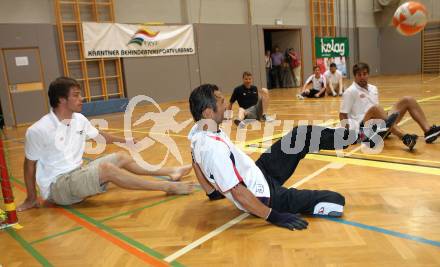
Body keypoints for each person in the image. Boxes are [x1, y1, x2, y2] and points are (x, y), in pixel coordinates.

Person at [188, 83, 353, 231]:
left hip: (259, 171)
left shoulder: (198, 131)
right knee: (336, 200)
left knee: (300, 135)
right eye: (221, 102)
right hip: (263, 196)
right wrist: (274, 216)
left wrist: (212, 193)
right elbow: (238, 192)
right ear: (208, 112)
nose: (226, 106)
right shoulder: (213, 149)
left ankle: (353, 136)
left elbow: (196, 163)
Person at [18, 77, 194, 211]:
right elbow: (29, 165)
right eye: (76, 95)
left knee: (120, 157)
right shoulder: (39, 130)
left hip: (77, 173)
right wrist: (31, 197)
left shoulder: (79, 119)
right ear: (61, 100)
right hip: (57, 186)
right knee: (107, 169)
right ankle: (167, 187)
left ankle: (171, 171)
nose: (82, 98)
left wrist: (126, 141)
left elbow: (100, 136)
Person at [340, 62, 440, 151]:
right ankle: (404, 137)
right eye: (359, 75)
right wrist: (347, 134)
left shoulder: (373, 89)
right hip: (363, 129)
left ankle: (428, 131)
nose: (362, 77)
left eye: (364, 74)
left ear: (368, 74)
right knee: (376, 109)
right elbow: (343, 114)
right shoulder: (350, 91)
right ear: (355, 76)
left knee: (408, 99)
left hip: (379, 125)